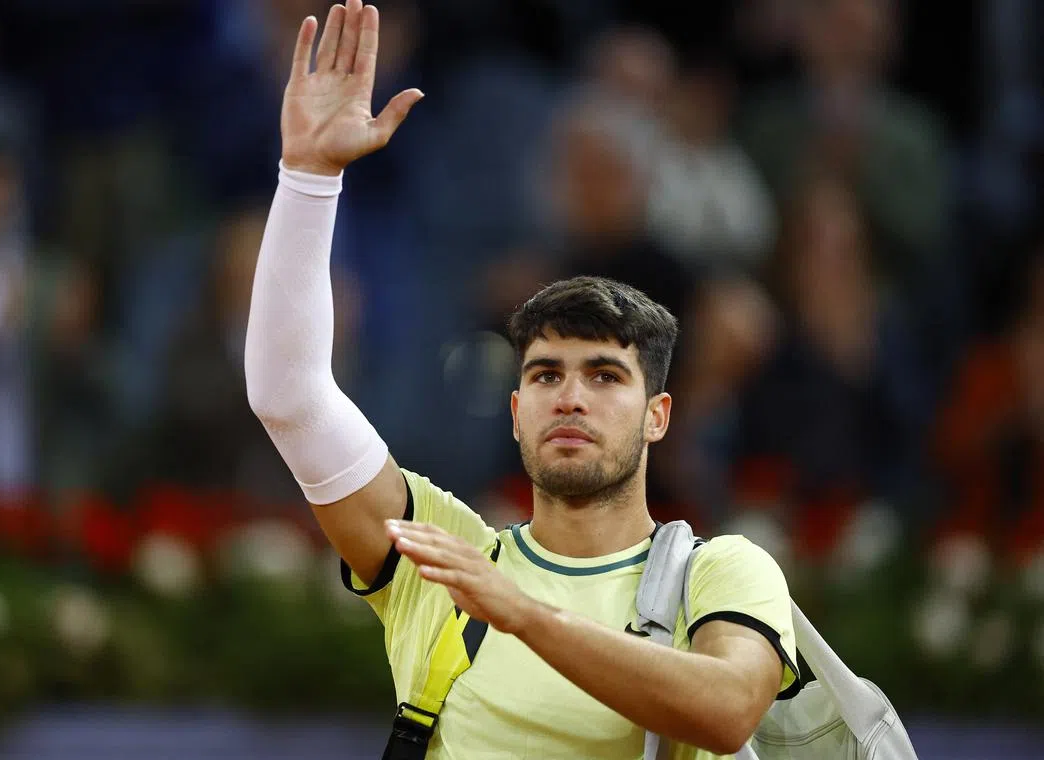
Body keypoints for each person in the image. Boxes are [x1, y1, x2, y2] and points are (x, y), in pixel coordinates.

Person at [245, 3, 799, 758]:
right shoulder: (447, 559)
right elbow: (290, 396)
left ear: (659, 415)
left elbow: (729, 709)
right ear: (515, 411)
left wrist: (525, 614)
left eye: (605, 376)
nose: (570, 396)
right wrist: (308, 178)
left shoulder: (719, 567)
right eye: (545, 375)